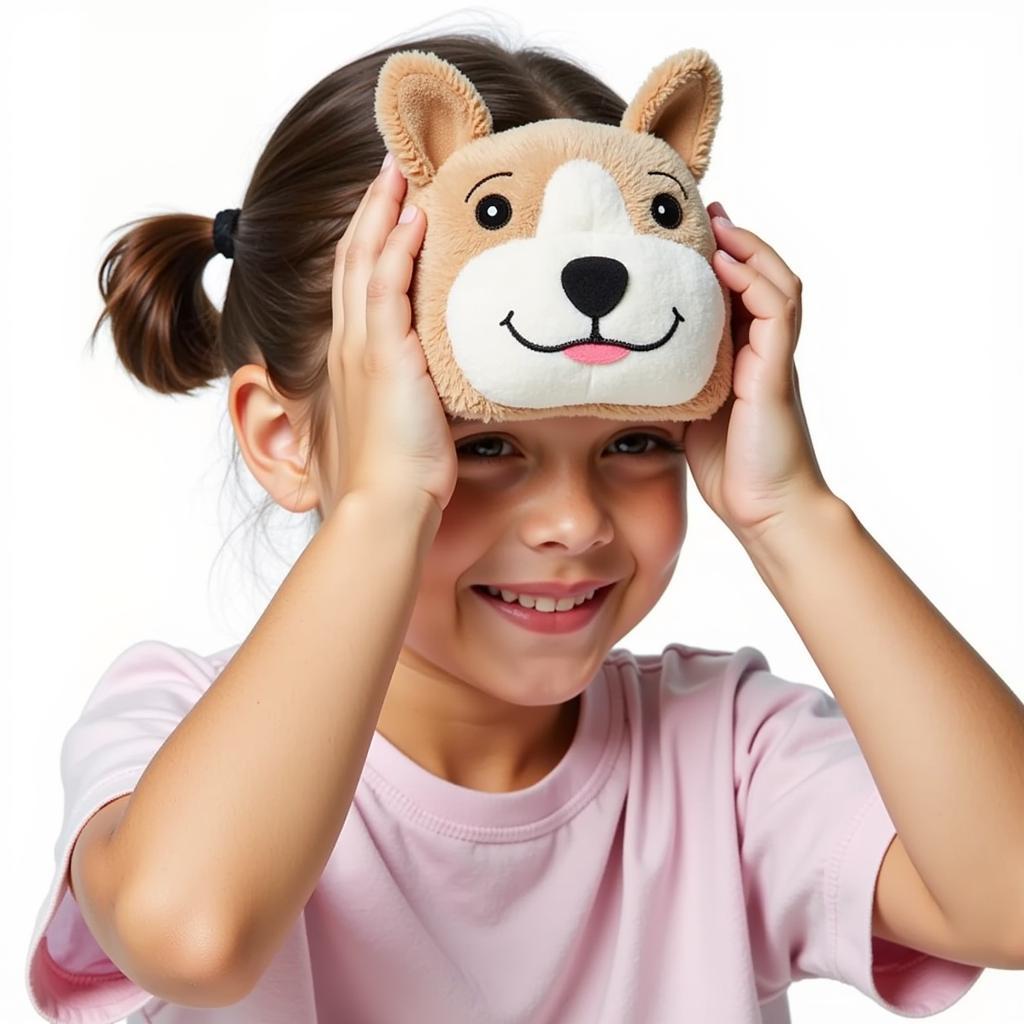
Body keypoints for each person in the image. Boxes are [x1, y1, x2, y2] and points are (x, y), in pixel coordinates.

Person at [24, 28, 1022, 1024]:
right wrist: (382, 508)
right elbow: (194, 935)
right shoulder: (173, 726)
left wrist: (792, 513)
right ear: (286, 439)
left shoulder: (724, 751)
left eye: (638, 442)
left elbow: (1009, 899)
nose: (572, 521)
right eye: (479, 447)